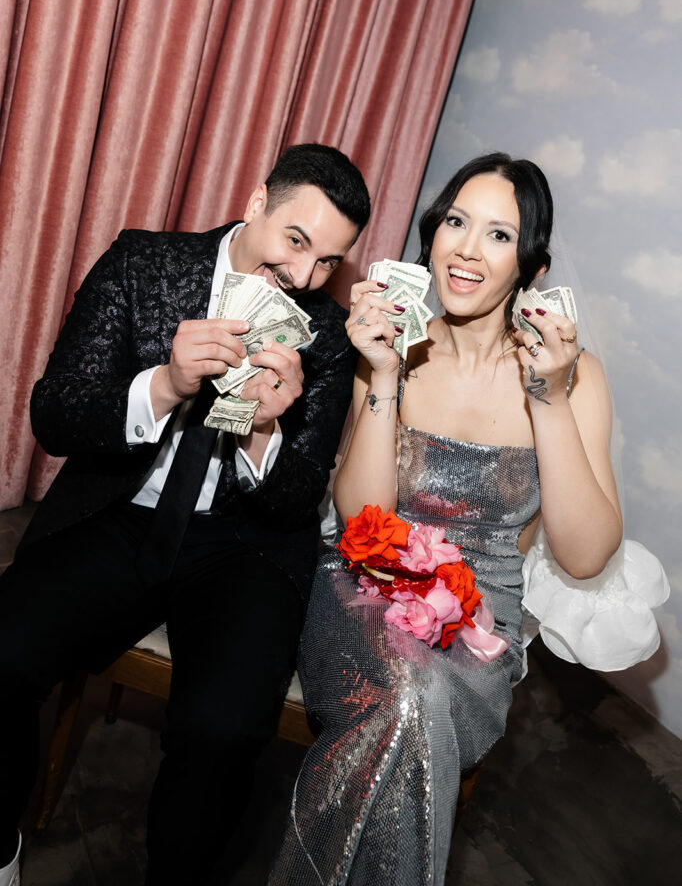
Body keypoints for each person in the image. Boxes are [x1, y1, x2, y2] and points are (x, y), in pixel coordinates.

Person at [0, 142, 370, 886]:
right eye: (297, 241)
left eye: (328, 261)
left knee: (223, 730)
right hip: (117, 512)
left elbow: (296, 499)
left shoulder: (327, 338)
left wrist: (264, 431)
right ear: (257, 202)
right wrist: (165, 384)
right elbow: (55, 413)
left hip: (242, 546)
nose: (303, 277)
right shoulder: (142, 264)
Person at [268, 152, 625, 886]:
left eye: (499, 234)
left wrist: (549, 399)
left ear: (530, 265)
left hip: (480, 621)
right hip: (362, 585)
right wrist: (384, 374)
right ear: (431, 235)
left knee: (416, 702)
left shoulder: (574, 377)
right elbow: (362, 517)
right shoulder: (392, 348)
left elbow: (585, 556)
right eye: (456, 222)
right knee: (407, 695)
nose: (467, 249)